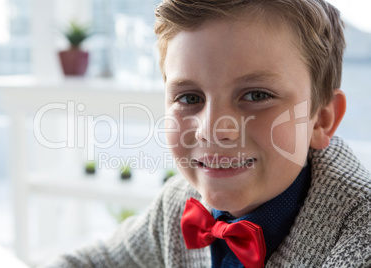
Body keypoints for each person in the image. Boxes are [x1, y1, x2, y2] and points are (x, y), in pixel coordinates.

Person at [41, 0, 370, 267]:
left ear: (321, 120)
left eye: (256, 96)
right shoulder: (179, 202)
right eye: (189, 98)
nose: (213, 130)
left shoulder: (359, 245)